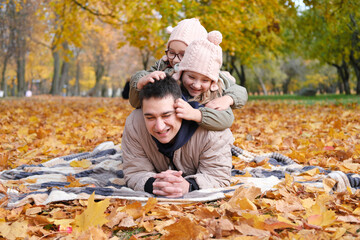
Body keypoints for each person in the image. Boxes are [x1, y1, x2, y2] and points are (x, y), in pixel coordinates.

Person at [122, 76, 234, 198]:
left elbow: (217, 175)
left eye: (166, 115)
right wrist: (153, 184)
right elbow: (134, 171)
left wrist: (189, 186)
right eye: (150, 118)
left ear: (181, 108)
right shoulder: (135, 124)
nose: (159, 127)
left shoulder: (213, 132)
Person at [130, 29, 248, 130]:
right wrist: (140, 82)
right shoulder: (165, 70)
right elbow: (137, 97)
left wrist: (228, 99)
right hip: (171, 132)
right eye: (171, 52)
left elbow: (239, 92)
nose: (176, 60)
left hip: (201, 135)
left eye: (183, 54)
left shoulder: (215, 79)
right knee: (137, 115)